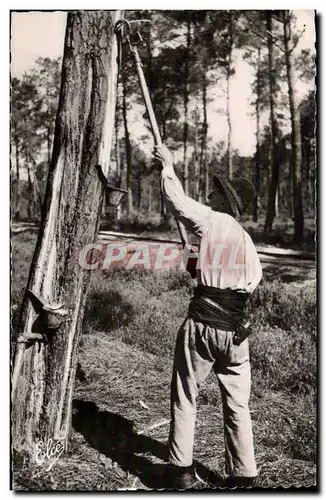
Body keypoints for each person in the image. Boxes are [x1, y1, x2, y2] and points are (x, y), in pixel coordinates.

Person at [153, 145, 263, 490]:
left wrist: (168, 166)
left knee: (185, 394)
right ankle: (244, 474)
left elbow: (178, 202)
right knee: (237, 403)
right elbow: (245, 286)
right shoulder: (246, 241)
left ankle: (181, 472)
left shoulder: (213, 220)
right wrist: (197, 264)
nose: (209, 194)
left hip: (203, 326)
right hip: (236, 334)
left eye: (215, 191)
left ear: (224, 201)